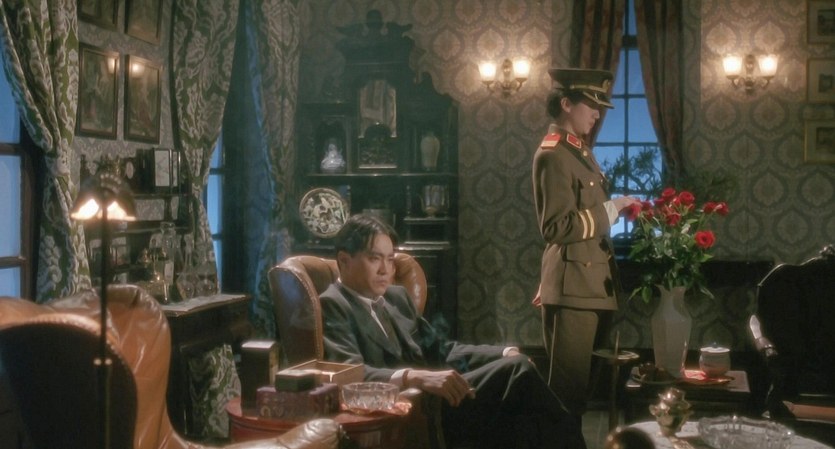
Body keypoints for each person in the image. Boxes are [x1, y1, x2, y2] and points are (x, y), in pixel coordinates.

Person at [320, 213, 587, 449]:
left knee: (522, 403)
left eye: (390, 260)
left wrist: (503, 352)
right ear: (344, 261)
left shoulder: (396, 298)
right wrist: (414, 377)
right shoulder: (332, 305)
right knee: (519, 372)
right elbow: (349, 375)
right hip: (410, 407)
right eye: (374, 259)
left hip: (441, 396)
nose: (385, 270)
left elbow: (442, 349)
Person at [531, 68, 641, 421]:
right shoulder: (553, 154)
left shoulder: (579, 153)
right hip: (573, 289)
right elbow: (556, 226)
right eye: (591, 106)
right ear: (566, 104)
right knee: (568, 396)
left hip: (592, 286)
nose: (597, 114)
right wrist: (612, 209)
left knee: (581, 395)